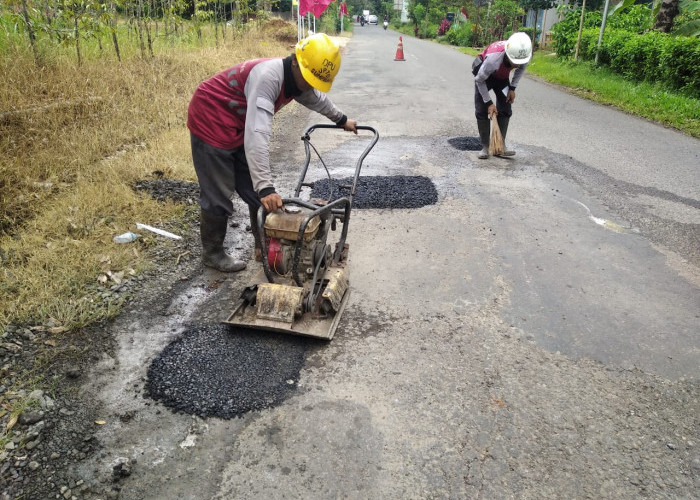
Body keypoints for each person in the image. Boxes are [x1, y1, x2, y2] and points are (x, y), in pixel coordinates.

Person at [187, 33, 358, 272]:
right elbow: (257, 134)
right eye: (309, 79)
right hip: (211, 117)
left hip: (238, 123)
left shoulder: (297, 79)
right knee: (219, 192)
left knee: (254, 192)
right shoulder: (269, 78)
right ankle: (212, 253)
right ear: (297, 62)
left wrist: (342, 120)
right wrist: (267, 186)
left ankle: (264, 248)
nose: (310, 84)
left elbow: (317, 99)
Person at [472, 32, 532, 159]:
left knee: (506, 107)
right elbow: (479, 80)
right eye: (513, 62)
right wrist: (489, 103)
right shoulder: (493, 60)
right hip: (484, 78)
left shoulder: (523, 54)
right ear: (507, 54)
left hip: (502, 79)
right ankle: (485, 147)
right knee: (481, 109)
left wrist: (512, 88)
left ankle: (500, 145)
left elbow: (521, 69)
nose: (516, 65)